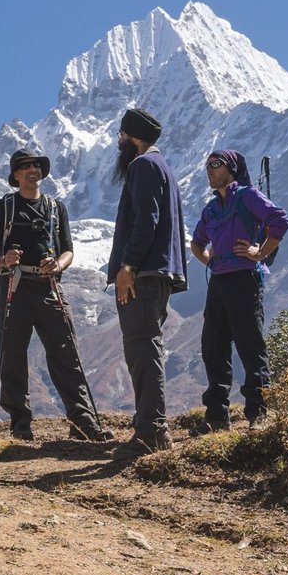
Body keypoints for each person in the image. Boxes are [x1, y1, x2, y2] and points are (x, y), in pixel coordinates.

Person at [0, 149, 112, 443]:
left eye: (37, 165)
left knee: (66, 351)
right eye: (26, 166)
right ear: (15, 175)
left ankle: (82, 421)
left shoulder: (56, 208)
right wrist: (4, 260)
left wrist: (59, 264)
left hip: (48, 285)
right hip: (14, 284)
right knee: (13, 355)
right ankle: (20, 423)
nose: (33, 170)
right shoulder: (4, 207)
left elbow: (67, 249)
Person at [106, 107, 188, 458]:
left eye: (122, 136)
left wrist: (128, 265)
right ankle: (150, 425)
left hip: (143, 274)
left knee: (141, 348)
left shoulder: (143, 166)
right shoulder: (163, 167)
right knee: (147, 345)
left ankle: (151, 432)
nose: (119, 142)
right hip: (161, 273)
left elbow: (146, 221)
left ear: (132, 137)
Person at [190, 149, 288, 434]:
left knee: (250, 347)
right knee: (213, 348)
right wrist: (208, 258)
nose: (209, 170)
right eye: (207, 165)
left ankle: (259, 415)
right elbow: (197, 243)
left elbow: (280, 220)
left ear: (230, 168)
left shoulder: (247, 196)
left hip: (245, 279)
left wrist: (260, 252)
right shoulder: (210, 209)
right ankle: (217, 417)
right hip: (219, 283)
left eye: (215, 164)